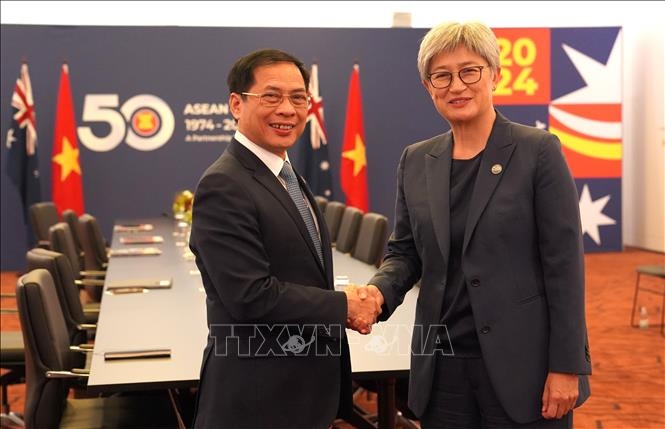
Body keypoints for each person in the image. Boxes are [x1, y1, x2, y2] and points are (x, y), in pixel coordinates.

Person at [356, 22, 591, 428]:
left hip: (524, 369)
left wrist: (567, 365)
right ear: (428, 87)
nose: (456, 85)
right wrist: (377, 293)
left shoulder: (538, 152)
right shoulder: (415, 160)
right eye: (441, 75)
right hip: (442, 367)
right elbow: (405, 252)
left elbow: (565, 267)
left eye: (470, 71)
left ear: (495, 75)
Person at [189, 48, 380, 429]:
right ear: (236, 104)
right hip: (257, 398)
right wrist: (344, 305)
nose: (288, 110)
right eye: (272, 96)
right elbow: (250, 295)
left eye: (298, 98)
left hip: (300, 390)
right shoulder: (224, 184)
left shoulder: (285, 173)